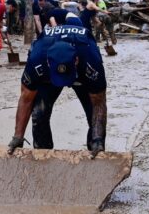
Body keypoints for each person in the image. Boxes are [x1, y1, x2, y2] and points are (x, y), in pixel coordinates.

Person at [8, 17, 107, 158]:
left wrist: (98, 139)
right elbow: (26, 99)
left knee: (93, 114)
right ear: (48, 62)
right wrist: (18, 137)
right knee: (39, 113)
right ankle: (43, 154)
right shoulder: (37, 60)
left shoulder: (90, 60)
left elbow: (99, 102)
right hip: (49, 74)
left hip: (81, 73)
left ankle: (95, 151)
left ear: (76, 60)